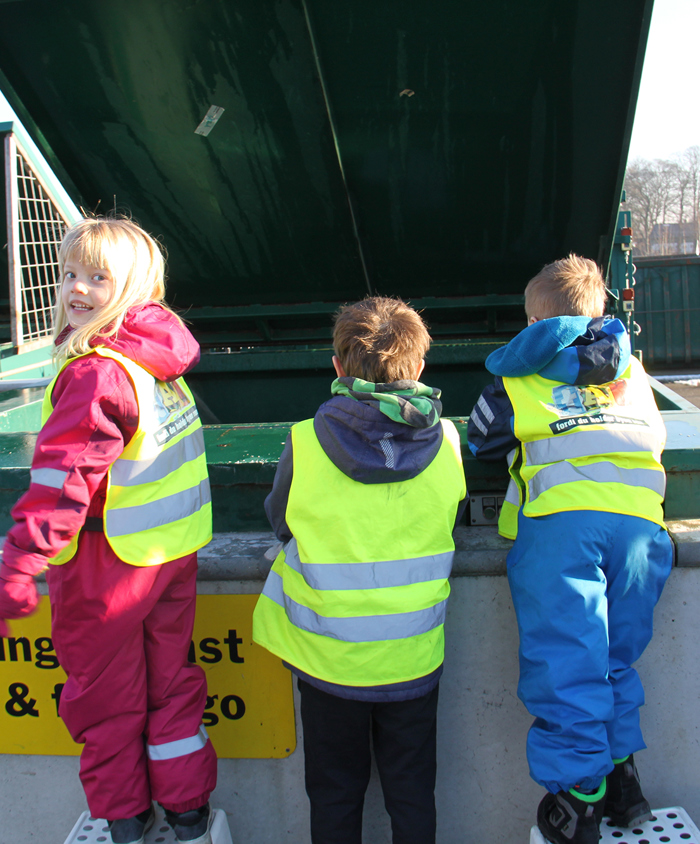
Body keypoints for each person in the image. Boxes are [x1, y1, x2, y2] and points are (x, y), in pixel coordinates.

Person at [0, 217, 217, 844]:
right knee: (171, 686)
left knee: (104, 701)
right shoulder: (155, 360)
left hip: (106, 567)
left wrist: (19, 567)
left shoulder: (94, 372)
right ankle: (188, 815)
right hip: (167, 556)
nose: (77, 290)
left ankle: (124, 822)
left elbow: (60, 483)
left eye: (98, 277)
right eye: (69, 274)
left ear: (134, 287)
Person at [467, 255, 672, 844]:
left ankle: (578, 799)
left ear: (534, 319)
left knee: (568, 665)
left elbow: (481, 438)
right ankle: (623, 782)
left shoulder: (518, 378)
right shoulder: (635, 375)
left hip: (562, 533)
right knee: (614, 661)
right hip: (640, 533)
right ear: (601, 312)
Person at [252, 296, 467, 844]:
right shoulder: (447, 441)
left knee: (333, 794)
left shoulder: (304, 439)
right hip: (413, 660)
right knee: (413, 793)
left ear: (337, 367)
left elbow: (282, 521)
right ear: (419, 367)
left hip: (329, 663)